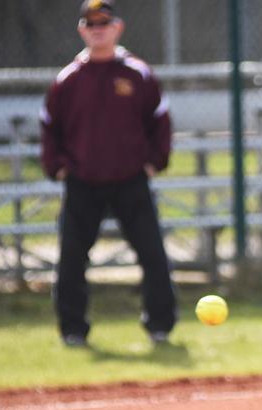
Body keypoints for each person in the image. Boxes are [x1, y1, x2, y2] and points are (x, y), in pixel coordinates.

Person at [40, 0, 177, 347]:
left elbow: (160, 121)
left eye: (104, 23)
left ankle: (159, 326)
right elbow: (49, 128)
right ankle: (73, 330)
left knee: (153, 254)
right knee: (71, 257)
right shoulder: (68, 79)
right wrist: (57, 168)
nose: (98, 29)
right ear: (82, 30)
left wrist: (153, 162)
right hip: (83, 180)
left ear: (118, 27)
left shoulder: (137, 73)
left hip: (130, 178)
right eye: (91, 23)